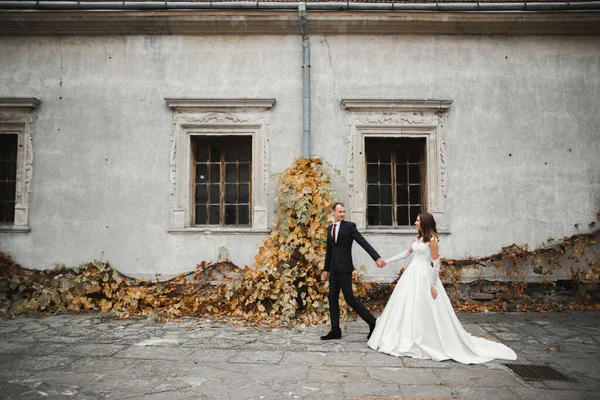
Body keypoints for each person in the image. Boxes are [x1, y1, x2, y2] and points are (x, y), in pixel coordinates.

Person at [368, 212, 517, 364]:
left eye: (418, 220)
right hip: (412, 274)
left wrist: (432, 285)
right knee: (405, 304)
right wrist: (386, 261)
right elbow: (405, 254)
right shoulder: (418, 238)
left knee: (424, 307)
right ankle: (405, 336)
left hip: (425, 276)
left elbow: (436, 264)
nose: (415, 222)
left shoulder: (432, 240)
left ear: (425, 222)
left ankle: (426, 338)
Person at [321, 202, 386, 340]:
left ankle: (372, 322)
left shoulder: (349, 227)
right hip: (334, 269)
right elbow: (329, 250)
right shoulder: (329, 229)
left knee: (349, 298)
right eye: (340, 212)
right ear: (333, 212)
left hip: (345, 269)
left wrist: (376, 257)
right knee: (332, 298)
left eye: (344, 212)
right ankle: (335, 330)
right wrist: (326, 269)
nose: (342, 214)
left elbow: (362, 241)